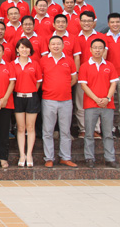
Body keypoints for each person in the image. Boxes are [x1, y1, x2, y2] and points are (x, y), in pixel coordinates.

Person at [79, 38, 120, 168]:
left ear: (104, 50)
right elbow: (84, 86)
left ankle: (110, 158)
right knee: (89, 133)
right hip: (91, 104)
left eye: (100, 48)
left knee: (108, 133)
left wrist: (107, 98)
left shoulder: (110, 65)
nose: (97, 50)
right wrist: (96, 99)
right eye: (95, 48)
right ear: (90, 50)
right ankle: (89, 158)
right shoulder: (85, 66)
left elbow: (113, 84)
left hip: (108, 104)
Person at [40, 36, 78, 168]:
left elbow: (74, 78)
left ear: (63, 46)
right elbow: (40, 79)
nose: (56, 46)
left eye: (58, 44)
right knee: (48, 131)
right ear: (49, 46)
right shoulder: (43, 60)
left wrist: (65, 87)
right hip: (48, 99)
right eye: (53, 44)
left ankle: (65, 157)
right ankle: (49, 158)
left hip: (66, 100)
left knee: (65, 131)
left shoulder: (69, 60)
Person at [12, 38, 42, 168]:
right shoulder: (12, 64)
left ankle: (29, 154)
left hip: (32, 97)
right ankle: (22, 154)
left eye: (27, 47)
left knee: (30, 127)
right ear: (17, 50)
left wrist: (31, 90)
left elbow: (38, 82)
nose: (24, 50)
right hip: (18, 97)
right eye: (22, 47)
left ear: (30, 50)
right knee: (20, 127)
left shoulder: (35, 64)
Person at [75, 11, 105, 138]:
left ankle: (95, 129)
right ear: (80, 22)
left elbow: (104, 55)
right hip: (81, 75)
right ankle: (83, 129)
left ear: (93, 23)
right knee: (80, 103)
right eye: (84, 21)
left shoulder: (100, 37)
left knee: (96, 101)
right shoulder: (75, 37)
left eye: (89, 21)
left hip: (97, 74)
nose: (86, 23)